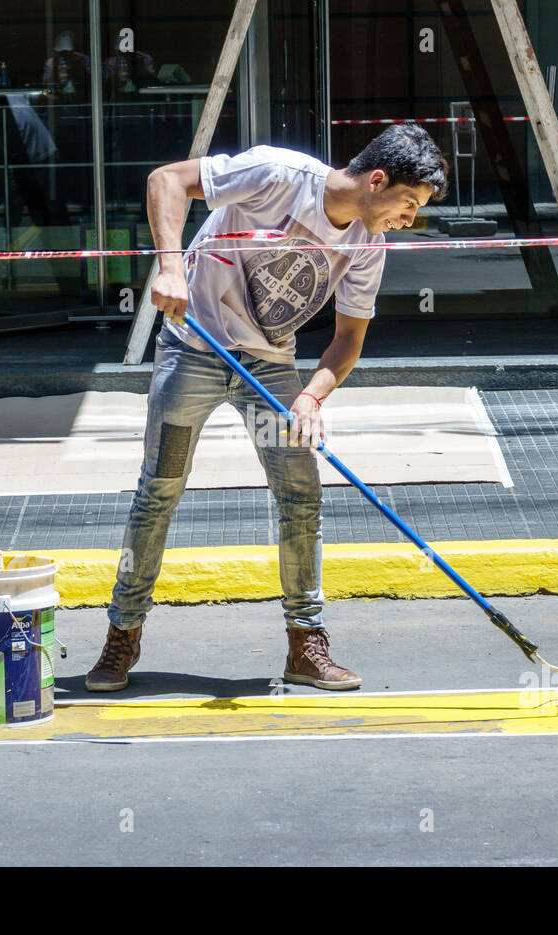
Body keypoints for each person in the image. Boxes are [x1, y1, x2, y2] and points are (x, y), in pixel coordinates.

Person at [85, 124, 449, 693]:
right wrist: (172, 267)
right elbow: (168, 179)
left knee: (301, 496)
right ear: (377, 181)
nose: (410, 219)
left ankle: (306, 646)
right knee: (159, 491)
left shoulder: (367, 244)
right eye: (408, 204)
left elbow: (348, 339)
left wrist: (310, 396)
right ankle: (121, 635)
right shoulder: (279, 175)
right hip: (193, 349)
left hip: (271, 369)